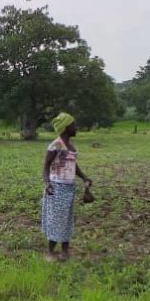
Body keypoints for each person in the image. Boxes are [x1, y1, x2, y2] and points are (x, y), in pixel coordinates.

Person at [41, 112, 92, 261]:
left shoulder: (71, 147)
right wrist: (48, 184)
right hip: (56, 188)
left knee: (67, 220)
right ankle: (50, 252)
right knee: (56, 220)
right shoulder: (55, 145)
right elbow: (46, 167)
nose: (76, 127)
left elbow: (73, 166)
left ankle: (65, 251)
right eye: (73, 125)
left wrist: (84, 177)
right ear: (65, 127)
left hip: (69, 188)